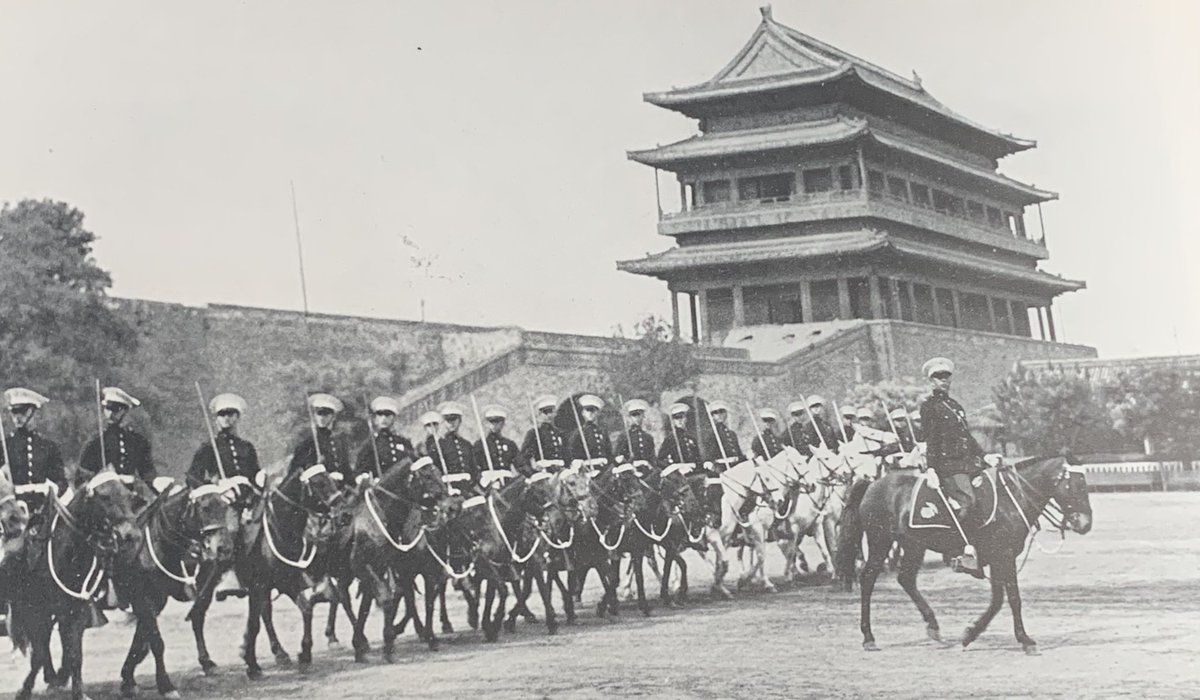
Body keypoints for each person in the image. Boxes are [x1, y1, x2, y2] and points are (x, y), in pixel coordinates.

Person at [919, 357, 986, 574]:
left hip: (967, 464)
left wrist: (986, 456)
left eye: (946, 377)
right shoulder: (929, 406)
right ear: (931, 382)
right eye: (938, 377)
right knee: (967, 502)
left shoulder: (956, 406)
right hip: (948, 466)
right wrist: (931, 468)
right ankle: (959, 553)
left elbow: (966, 436)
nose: (943, 381)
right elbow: (931, 439)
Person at [2, 388, 66, 526]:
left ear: (33, 412)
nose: (17, 417)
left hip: (44, 509)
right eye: (14, 412)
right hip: (13, 512)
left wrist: (52, 490)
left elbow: (61, 481)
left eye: (22, 412)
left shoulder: (48, 446)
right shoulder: (4, 446)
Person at [79, 387, 156, 485]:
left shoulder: (138, 441)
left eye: (115, 410)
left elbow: (147, 472)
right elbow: (81, 478)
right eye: (107, 408)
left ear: (124, 411)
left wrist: (157, 483)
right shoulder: (95, 441)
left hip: (130, 493)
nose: (110, 414)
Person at [186, 392, 261, 489]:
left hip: (248, 495)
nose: (226, 418)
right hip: (222, 496)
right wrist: (214, 485)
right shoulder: (209, 447)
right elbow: (193, 477)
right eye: (222, 414)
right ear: (216, 419)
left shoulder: (247, 447)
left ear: (237, 417)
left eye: (230, 414)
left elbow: (255, 475)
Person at [288, 393, 351, 483]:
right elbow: (296, 473)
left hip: (340, 489)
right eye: (319, 413)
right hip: (318, 492)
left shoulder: (339, 443)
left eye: (326, 414)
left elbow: (347, 471)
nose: (322, 418)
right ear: (314, 416)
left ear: (333, 416)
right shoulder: (307, 444)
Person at [356, 396, 414, 482]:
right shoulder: (371, 444)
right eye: (380, 415)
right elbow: (360, 471)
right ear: (375, 419)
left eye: (388, 415)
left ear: (393, 418)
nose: (384, 418)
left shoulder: (403, 441)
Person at [474, 404, 524, 475]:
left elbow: (521, 464)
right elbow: (475, 468)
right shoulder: (480, 444)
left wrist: (533, 475)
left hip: (508, 482)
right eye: (491, 422)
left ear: (503, 423)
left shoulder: (510, 444)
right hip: (489, 481)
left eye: (497, 422)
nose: (494, 425)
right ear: (487, 424)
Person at [520, 395, 566, 471]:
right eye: (545, 412)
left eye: (551, 411)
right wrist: (532, 471)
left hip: (562, 469)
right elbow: (524, 457)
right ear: (539, 414)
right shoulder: (535, 433)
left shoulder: (560, 433)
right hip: (545, 470)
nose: (549, 415)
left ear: (555, 413)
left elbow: (567, 454)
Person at [436, 401, 478, 482]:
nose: (451, 424)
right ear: (444, 422)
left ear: (460, 421)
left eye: (454, 420)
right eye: (448, 420)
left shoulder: (466, 444)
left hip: (468, 485)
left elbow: (474, 468)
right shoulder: (439, 445)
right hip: (450, 486)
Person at [567, 394, 612, 468]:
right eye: (588, 410)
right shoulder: (579, 433)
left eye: (593, 411)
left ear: (597, 413)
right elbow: (574, 456)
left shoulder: (602, 432)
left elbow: (609, 453)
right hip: (588, 469)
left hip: (604, 468)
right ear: (583, 413)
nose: (591, 413)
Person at [614, 399, 656, 470]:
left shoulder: (648, 437)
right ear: (630, 417)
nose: (636, 418)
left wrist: (649, 464)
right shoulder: (624, 436)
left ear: (643, 416)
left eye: (639, 414)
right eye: (634, 415)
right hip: (631, 471)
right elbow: (618, 458)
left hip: (647, 470)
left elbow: (652, 458)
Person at [657, 403, 700, 467]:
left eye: (681, 417)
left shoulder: (691, 438)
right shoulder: (670, 439)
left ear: (686, 419)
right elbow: (660, 460)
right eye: (676, 418)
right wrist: (676, 468)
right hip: (679, 473)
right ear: (673, 421)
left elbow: (698, 458)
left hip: (693, 471)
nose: (679, 420)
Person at [706, 401, 744, 471]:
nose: (719, 415)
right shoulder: (712, 434)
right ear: (712, 416)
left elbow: (739, 453)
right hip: (722, 468)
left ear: (726, 414)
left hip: (737, 465)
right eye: (716, 413)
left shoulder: (732, 434)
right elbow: (710, 457)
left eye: (721, 412)